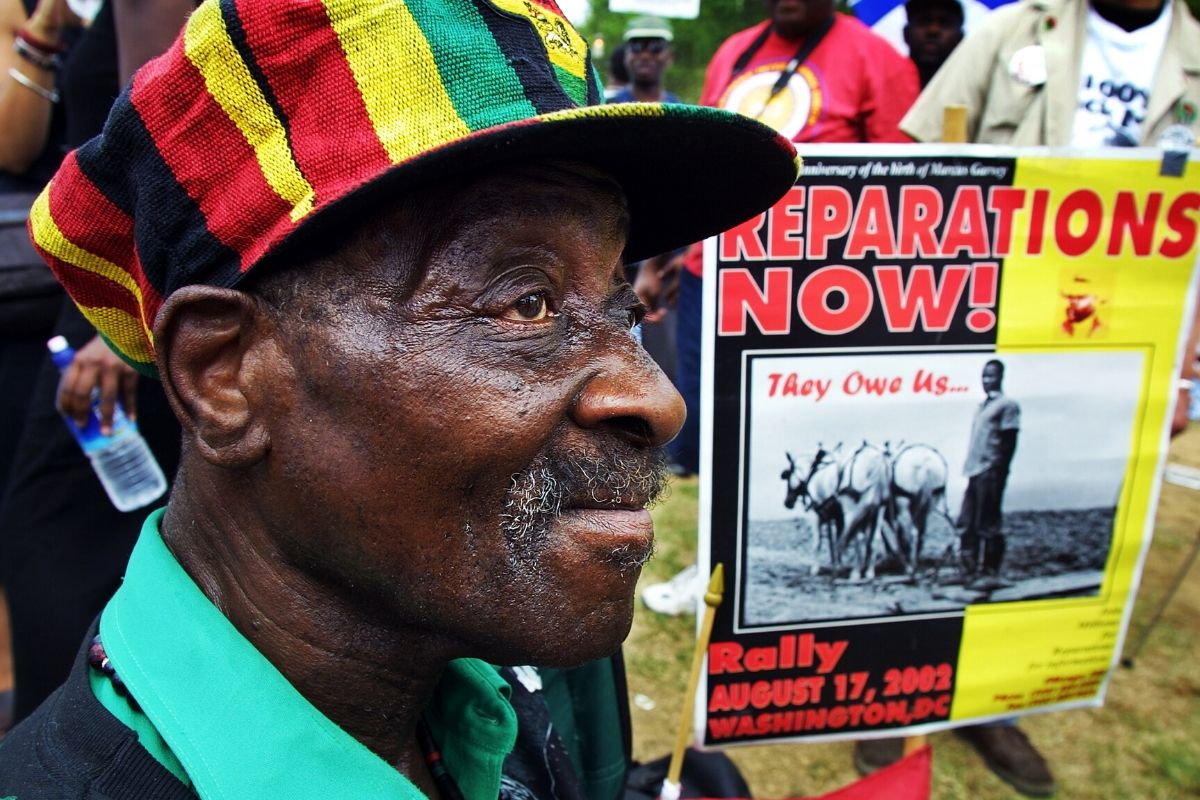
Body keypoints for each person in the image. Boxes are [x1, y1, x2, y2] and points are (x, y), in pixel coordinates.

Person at [0, 0, 800, 794]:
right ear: (225, 375)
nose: (656, 399)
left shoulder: (489, 703)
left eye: (624, 307)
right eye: (526, 303)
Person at [639, 0, 920, 612]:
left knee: (799, 439)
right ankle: (716, 565)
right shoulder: (734, 53)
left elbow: (908, 186)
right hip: (718, 282)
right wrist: (667, 260)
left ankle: (821, 568)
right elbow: (705, 171)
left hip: (816, 297)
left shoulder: (878, 60)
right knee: (719, 431)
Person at [856, 359, 1052, 798]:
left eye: (992, 377)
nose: (987, 382)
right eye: (985, 377)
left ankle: (993, 709)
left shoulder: (1006, 408)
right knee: (969, 526)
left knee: (987, 527)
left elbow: (1007, 443)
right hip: (973, 470)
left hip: (988, 473)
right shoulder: (983, 405)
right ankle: (884, 704)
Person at [900, 0, 1200, 146]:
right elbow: (928, 155)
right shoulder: (1010, 29)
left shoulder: (1193, 52)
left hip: (1152, 266)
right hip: (1014, 257)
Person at [903, 0, 964, 87]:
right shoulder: (883, 84)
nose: (933, 30)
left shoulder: (974, 86)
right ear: (906, 34)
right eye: (924, 21)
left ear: (960, 38)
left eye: (944, 23)